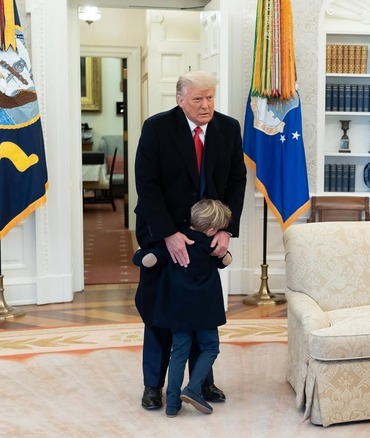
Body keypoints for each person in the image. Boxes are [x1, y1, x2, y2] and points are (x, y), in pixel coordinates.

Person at [133, 70, 247, 411]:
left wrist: (227, 228)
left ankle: (201, 380)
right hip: (160, 229)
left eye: (210, 97)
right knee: (159, 310)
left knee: (200, 307)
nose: (205, 105)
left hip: (207, 232)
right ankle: (154, 386)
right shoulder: (157, 128)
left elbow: (236, 182)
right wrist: (168, 234)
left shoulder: (228, 128)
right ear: (180, 99)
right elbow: (147, 184)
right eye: (197, 99)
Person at [134, 199, 233, 417]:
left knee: (178, 351)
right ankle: (193, 388)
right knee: (210, 347)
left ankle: (172, 403)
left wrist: (143, 256)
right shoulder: (209, 245)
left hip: (177, 309)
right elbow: (224, 260)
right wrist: (226, 255)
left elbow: (151, 257)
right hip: (205, 312)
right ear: (211, 230)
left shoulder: (176, 242)